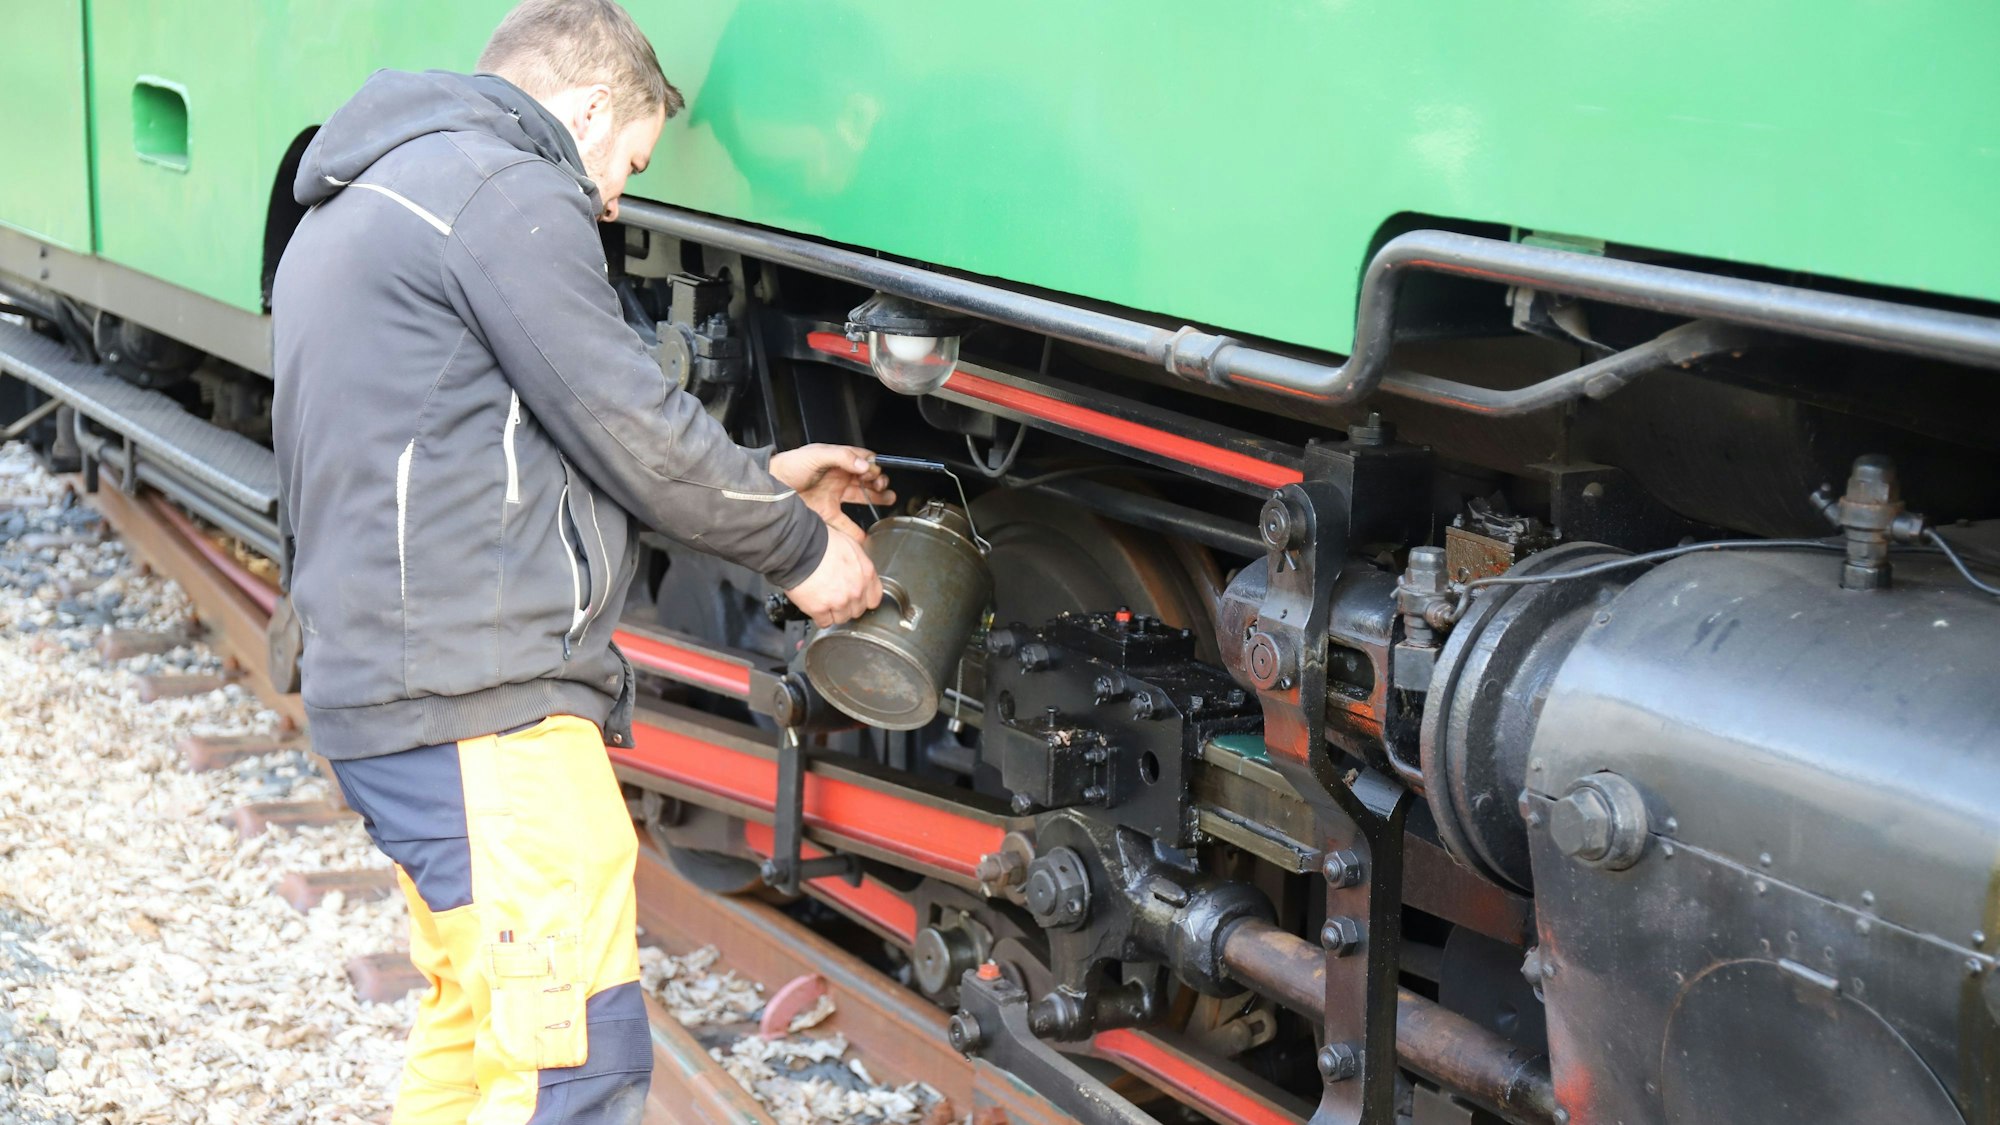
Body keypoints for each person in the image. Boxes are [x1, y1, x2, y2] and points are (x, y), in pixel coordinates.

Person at [269, 1, 888, 1120]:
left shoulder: (384, 188)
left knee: (475, 1039)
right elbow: (627, 417)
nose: (613, 200)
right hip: (479, 711)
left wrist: (758, 473)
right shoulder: (503, 190)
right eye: (629, 163)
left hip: (402, 694)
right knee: (569, 1063)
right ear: (589, 108)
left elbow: (502, 457)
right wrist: (802, 551)